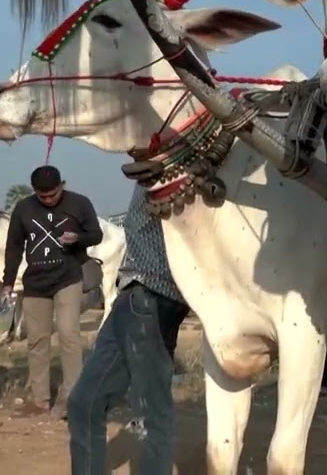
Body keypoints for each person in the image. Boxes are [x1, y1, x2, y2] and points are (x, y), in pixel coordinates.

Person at [67, 184, 189, 475]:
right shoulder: (148, 170)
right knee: (84, 402)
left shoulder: (172, 171)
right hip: (129, 297)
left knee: (152, 413)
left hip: (153, 297)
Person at [2, 165, 103, 418]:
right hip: (35, 282)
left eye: (53, 194)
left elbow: (96, 235)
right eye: (42, 196)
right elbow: (13, 246)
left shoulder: (79, 203)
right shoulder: (24, 208)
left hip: (68, 277)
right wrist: (7, 281)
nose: (48, 200)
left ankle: (73, 398)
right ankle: (40, 399)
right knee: (37, 340)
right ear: (34, 191)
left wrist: (77, 238)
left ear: (62, 185)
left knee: (69, 335)